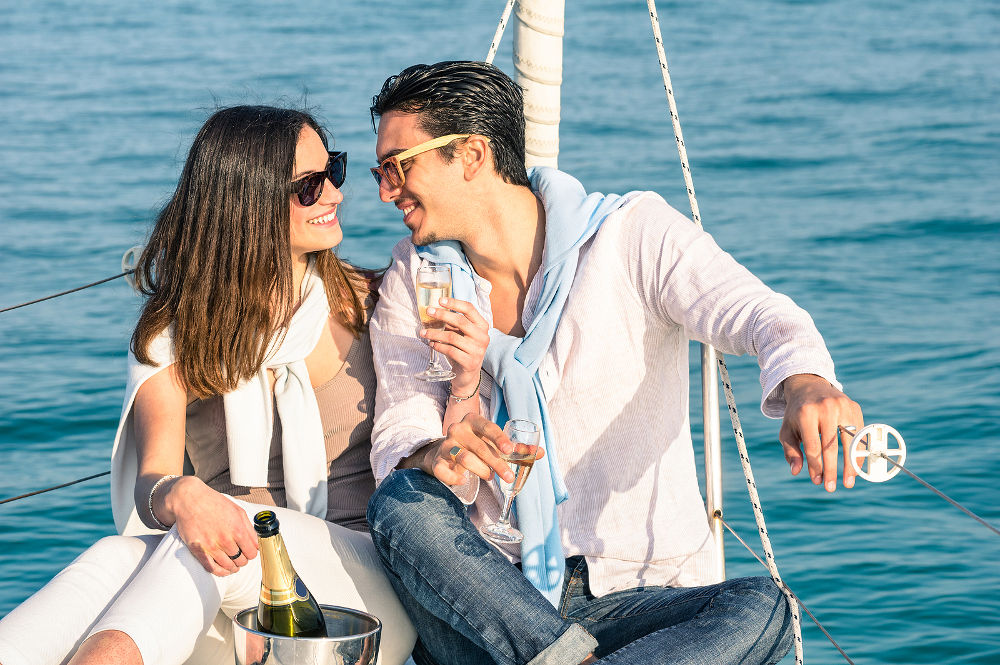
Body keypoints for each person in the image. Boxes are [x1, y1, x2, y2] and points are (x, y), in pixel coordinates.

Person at [364, 61, 866, 665]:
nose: (387, 191)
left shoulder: (630, 235)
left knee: (762, 608)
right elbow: (400, 438)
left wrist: (807, 382)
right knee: (400, 504)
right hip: (487, 600)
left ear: (471, 155)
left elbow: (759, 314)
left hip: (636, 595)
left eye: (398, 166)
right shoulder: (414, 281)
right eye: (380, 173)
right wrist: (440, 449)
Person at [0, 105, 416, 665]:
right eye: (310, 186)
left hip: (365, 586)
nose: (335, 195)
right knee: (111, 559)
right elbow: (154, 481)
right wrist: (181, 492)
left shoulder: (373, 302)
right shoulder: (178, 330)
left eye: (333, 171)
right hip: (236, 581)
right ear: (247, 202)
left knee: (225, 535)